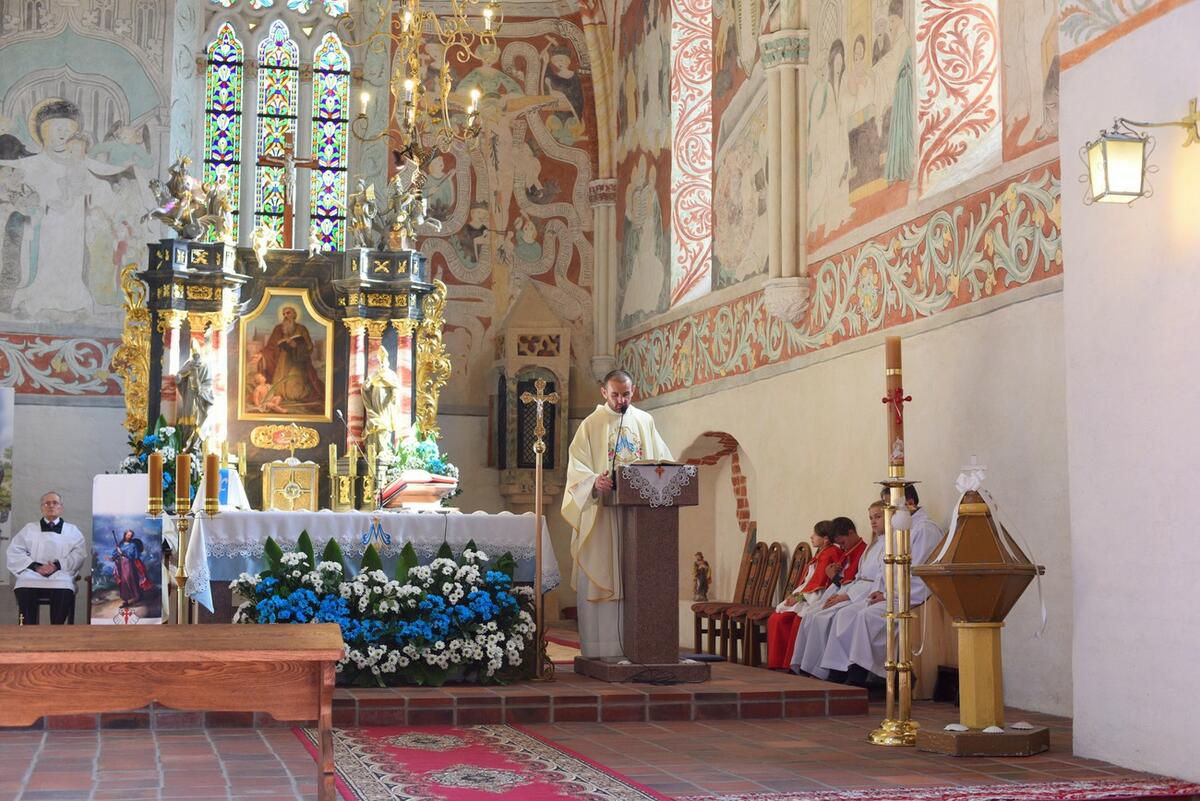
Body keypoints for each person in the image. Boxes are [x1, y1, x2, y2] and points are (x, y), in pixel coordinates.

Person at [562, 369, 672, 659]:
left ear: (633, 391)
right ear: (604, 393)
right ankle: (604, 649)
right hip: (604, 516)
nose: (621, 400)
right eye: (615, 395)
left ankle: (641, 646)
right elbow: (576, 469)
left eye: (626, 394)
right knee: (606, 572)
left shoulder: (645, 421)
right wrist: (593, 482)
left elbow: (664, 462)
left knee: (636, 578)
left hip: (638, 516)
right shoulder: (591, 424)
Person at [819, 485, 944, 684]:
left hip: (911, 598)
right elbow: (884, 570)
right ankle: (838, 671)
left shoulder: (925, 530)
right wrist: (880, 590)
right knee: (847, 614)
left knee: (865, 616)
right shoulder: (901, 530)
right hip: (891, 594)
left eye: (889, 506)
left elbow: (920, 576)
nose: (888, 512)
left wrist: (886, 595)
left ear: (910, 503)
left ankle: (859, 676)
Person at [792, 500, 886, 675]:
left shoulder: (883, 545)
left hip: (865, 592)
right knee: (812, 614)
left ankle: (833, 670)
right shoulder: (872, 545)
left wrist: (843, 592)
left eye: (878, 517)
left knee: (831, 616)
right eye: (871, 518)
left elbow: (873, 579)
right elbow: (857, 577)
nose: (873, 522)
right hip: (854, 589)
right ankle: (807, 666)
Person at [766, 520, 841, 669]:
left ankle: (790, 663)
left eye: (815, 534)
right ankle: (778, 662)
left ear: (826, 539)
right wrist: (794, 596)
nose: (811, 536)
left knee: (788, 620)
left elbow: (820, 585)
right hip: (807, 596)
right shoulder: (821, 553)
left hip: (818, 597)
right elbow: (809, 581)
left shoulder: (830, 553)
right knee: (776, 618)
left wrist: (799, 597)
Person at [6, 491, 86, 624]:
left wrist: (57, 565)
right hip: (33, 573)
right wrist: (36, 567)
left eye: (55, 503)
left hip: (60, 573)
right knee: (23, 584)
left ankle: (56, 630)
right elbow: (15, 551)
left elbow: (78, 554)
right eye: (47, 503)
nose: (51, 506)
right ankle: (28, 629)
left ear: (61, 507)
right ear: (41, 508)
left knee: (64, 586)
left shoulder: (72, 531)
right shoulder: (29, 529)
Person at [258, 304, 325, 411]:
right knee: (279, 388)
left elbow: (309, 347)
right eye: (284, 314)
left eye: (288, 313)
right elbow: (271, 345)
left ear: (294, 315)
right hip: (282, 360)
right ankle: (280, 398)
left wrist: (296, 345)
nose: (285, 316)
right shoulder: (278, 329)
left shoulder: (302, 329)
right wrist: (261, 354)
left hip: (297, 361)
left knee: (295, 391)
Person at [361, 345, 409, 457]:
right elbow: (366, 387)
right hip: (374, 403)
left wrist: (394, 397)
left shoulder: (391, 374)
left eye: (383, 360)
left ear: (387, 361)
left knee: (384, 424)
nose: (381, 363)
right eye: (380, 360)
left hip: (386, 405)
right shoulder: (375, 374)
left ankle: (383, 449)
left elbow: (396, 386)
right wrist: (367, 384)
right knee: (374, 424)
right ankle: (373, 449)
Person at [110, 528, 152, 608]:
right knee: (123, 582)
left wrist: (122, 552)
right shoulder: (121, 544)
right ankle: (125, 600)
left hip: (129, 564)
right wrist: (116, 553)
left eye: (130, 535)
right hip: (121, 565)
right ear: (125, 535)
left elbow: (134, 555)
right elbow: (115, 554)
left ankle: (137, 596)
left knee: (130, 579)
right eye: (128, 535)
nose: (129, 536)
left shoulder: (133, 545)